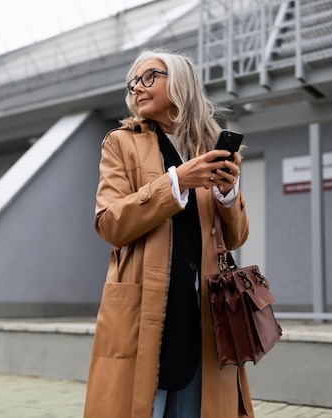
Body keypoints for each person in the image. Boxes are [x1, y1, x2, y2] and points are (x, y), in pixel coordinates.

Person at [83, 49, 254, 418]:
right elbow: (109, 223)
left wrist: (227, 193)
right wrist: (176, 182)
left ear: (180, 82)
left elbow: (236, 238)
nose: (137, 89)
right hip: (145, 309)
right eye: (133, 83)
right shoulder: (121, 142)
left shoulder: (209, 148)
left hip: (205, 314)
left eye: (149, 77)